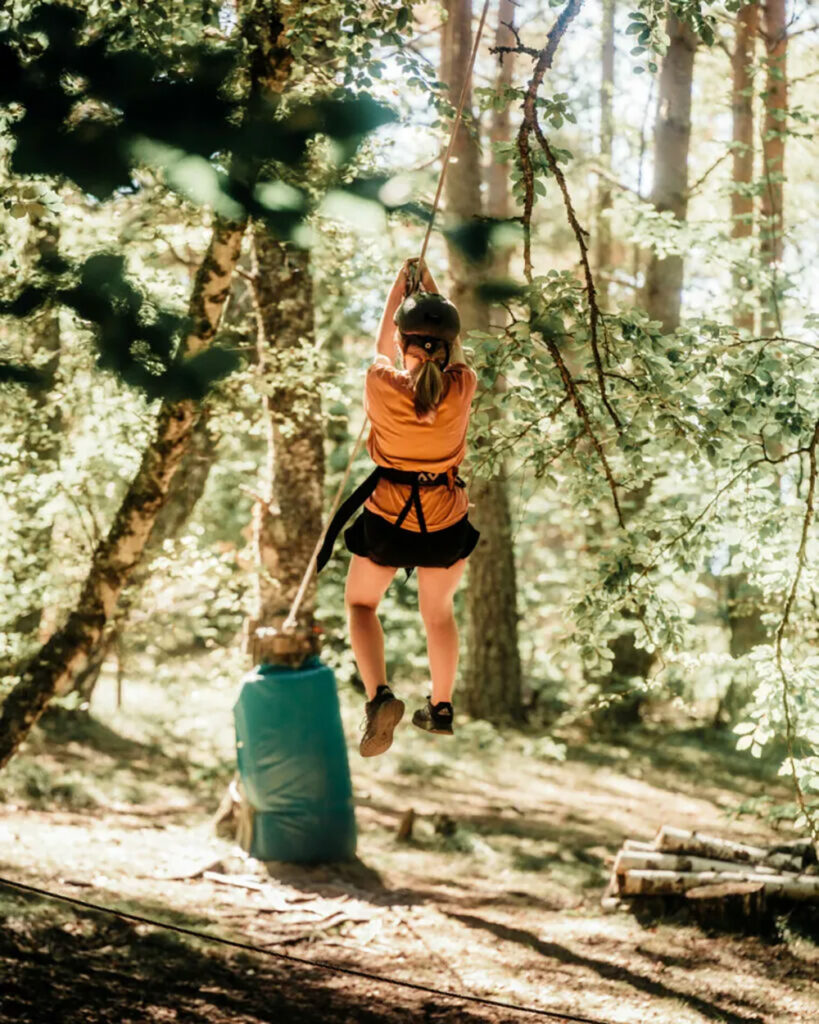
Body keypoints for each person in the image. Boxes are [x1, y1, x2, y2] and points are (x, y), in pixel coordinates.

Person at [318, 259, 480, 757]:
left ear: (401, 340)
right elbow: (453, 339)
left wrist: (401, 285)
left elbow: (383, 342)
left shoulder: (381, 383)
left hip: (390, 516)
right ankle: (442, 706)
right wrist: (430, 288)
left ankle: (379, 696)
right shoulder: (462, 386)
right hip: (445, 518)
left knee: (361, 605)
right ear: (448, 347)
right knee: (438, 613)